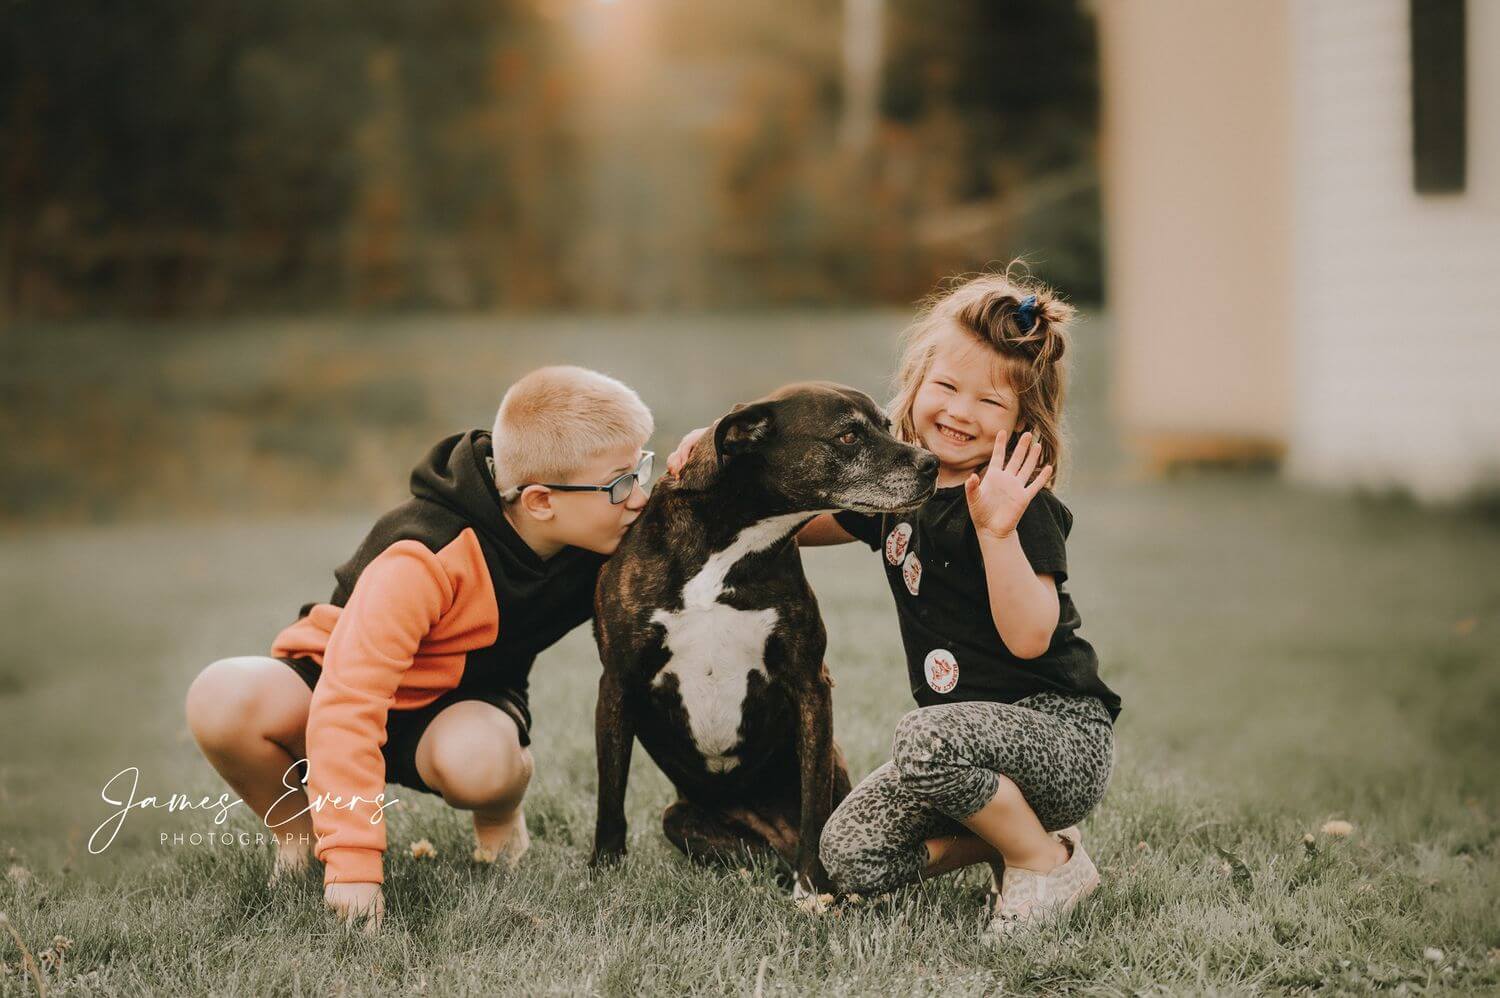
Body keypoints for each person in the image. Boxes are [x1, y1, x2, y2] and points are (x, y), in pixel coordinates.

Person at [667, 271, 1120, 941]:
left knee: (922, 736)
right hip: (965, 756)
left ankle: (1042, 862)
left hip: (1058, 736)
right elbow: (800, 519)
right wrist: (736, 453)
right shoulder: (902, 493)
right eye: (947, 387)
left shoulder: (1020, 506)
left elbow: (1030, 639)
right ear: (915, 382)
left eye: (990, 402)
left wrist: (996, 533)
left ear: (1024, 421)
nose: (961, 412)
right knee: (844, 853)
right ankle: (1021, 836)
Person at [186, 365, 653, 929]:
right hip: (333, 684)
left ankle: (500, 816)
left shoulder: (606, 526)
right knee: (222, 696)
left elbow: (736, 511)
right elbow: (349, 699)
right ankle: (297, 834)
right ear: (539, 501)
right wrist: (354, 865)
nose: (640, 496)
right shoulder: (423, 556)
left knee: (479, 763)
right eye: (622, 481)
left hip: (457, 705)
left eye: (642, 468)